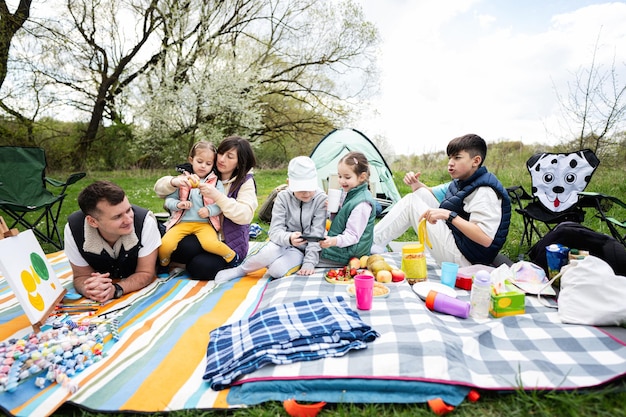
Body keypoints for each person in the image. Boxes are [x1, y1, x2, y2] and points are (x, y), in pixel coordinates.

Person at [371, 133, 511, 267]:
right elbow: (427, 193)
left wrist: (448, 215)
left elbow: (485, 238)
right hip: (460, 242)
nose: (450, 163)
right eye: (450, 158)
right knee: (418, 195)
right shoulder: (462, 181)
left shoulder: (484, 191)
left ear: (476, 161)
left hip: (466, 259)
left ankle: (369, 244)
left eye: (457, 158)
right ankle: (373, 242)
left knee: (411, 203)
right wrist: (415, 184)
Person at [154, 136, 257, 280]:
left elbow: (244, 216)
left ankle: (180, 262)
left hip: (224, 241)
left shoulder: (244, 182)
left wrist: (217, 196)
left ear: (240, 162)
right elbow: (160, 190)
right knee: (167, 240)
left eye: (230, 156)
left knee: (201, 267)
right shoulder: (202, 169)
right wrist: (174, 182)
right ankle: (172, 261)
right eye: (221, 153)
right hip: (191, 229)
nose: (221, 159)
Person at [214, 156, 328, 283]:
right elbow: (274, 231)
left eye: (309, 187)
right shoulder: (283, 197)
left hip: (303, 251)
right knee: (268, 252)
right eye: (300, 188)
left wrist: (309, 262)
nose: (306, 193)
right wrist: (289, 238)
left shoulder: (321, 199)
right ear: (289, 183)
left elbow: (318, 234)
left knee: (276, 271)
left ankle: (275, 261)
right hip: (281, 243)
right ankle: (240, 270)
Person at [64, 181, 162, 302]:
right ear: (92, 222)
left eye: (128, 210)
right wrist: (89, 289)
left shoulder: (145, 222)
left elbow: (146, 272)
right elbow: (81, 276)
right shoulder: (74, 228)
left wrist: (116, 290)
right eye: (117, 216)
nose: (128, 219)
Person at [159, 141, 237, 267]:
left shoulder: (216, 183)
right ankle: (164, 265)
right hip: (181, 223)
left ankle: (233, 258)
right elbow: (169, 201)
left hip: (204, 225)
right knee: (165, 244)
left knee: (211, 243)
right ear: (191, 160)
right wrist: (179, 204)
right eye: (199, 161)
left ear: (213, 164)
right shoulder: (182, 180)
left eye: (208, 163)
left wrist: (209, 211)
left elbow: (220, 204)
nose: (203, 166)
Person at [318, 151, 376, 266]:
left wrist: (332, 241)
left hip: (349, 253)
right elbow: (344, 219)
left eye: (347, 177)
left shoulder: (362, 203)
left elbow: (353, 236)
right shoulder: (348, 193)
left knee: (307, 252)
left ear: (362, 177)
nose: (341, 181)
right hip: (343, 247)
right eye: (339, 176)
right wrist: (334, 211)